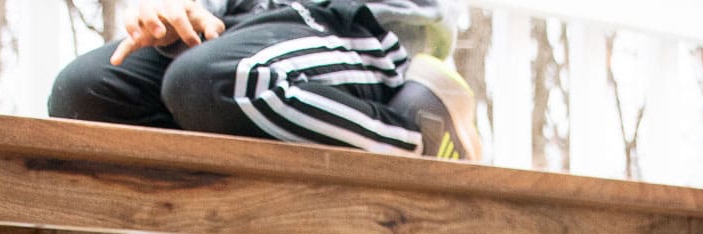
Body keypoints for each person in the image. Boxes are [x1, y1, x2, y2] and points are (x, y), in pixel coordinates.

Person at [48, 0, 482, 161]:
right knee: (84, 91)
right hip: (237, 19)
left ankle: (417, 137)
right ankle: (210, 117)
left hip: (356, 19)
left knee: (216, 81)